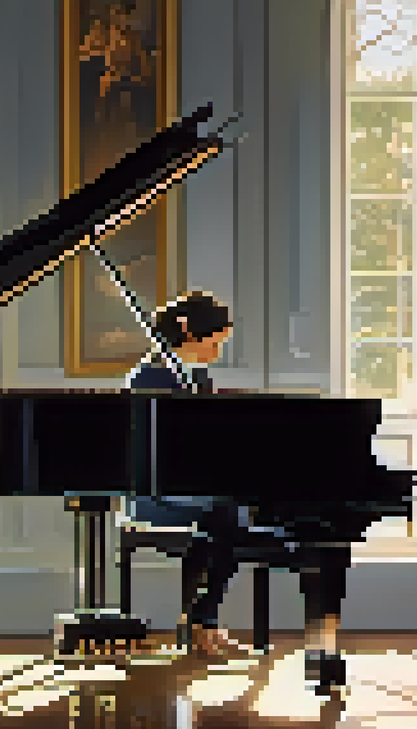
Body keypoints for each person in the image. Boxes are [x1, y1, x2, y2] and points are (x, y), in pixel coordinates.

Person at [125, 290, 348, 692]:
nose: (218, 349)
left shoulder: (198, 377)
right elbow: (159, 454)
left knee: (231, 511)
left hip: (198, 493)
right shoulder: (150, 377)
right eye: (216, 340)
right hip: (157, 496)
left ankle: (201, 622)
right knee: (227, 512)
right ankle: (202, 622)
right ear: (189, 331)